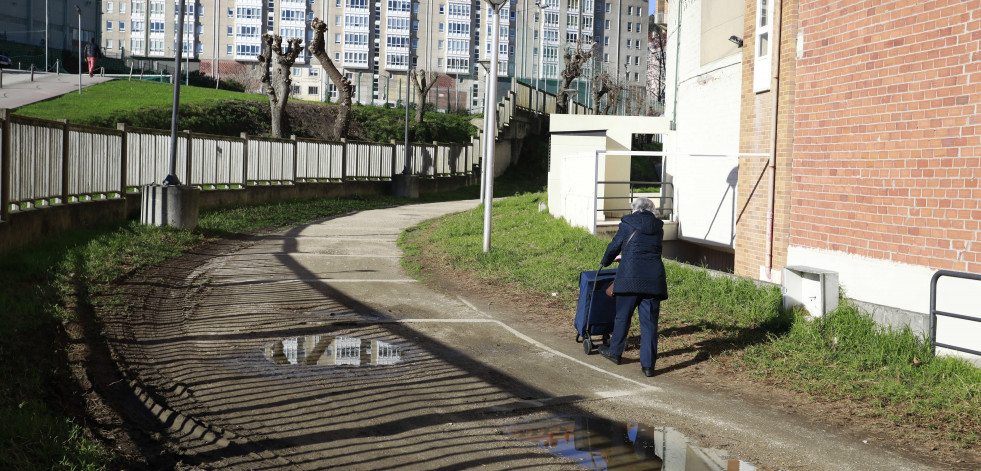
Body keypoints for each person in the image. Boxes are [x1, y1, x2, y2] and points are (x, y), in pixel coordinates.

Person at [597, 197, 668, 377]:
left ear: (634, 209)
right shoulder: (658, 227)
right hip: (653, 280)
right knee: (650, 324)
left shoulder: (627, 222)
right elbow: (648, 249)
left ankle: (615, 353)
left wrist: (605, 262)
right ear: (651, 210)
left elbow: (615, 245)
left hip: (629, 278)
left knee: (622, 318)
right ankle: (648, 366)